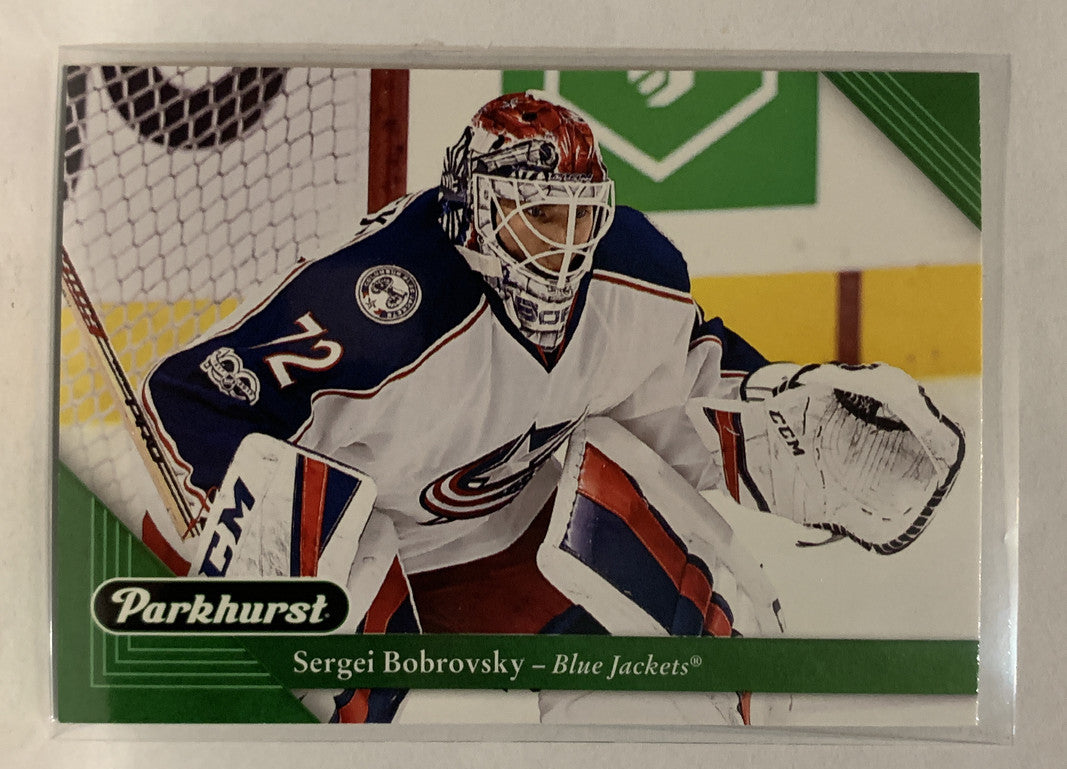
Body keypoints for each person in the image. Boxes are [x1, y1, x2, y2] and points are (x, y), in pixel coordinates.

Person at [142, 92, 963, 721]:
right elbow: (185, 396)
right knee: (368, 736)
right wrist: (264, 543)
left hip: (514, 539)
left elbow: (666, 398)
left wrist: (779, 429)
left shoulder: (632, 268)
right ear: (472, 209)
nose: (565, 244)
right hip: (373, 557)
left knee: (675, 697)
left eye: (579, 216)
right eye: (538, 215)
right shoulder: (377, 306)